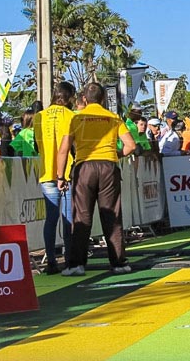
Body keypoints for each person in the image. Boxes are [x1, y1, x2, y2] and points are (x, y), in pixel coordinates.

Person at [56, 82, 136, 276]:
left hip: (84, 167)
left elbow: (64, 150)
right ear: (102, 99)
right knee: (112, 215)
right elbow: (131, 146)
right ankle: (118, 263)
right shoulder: (113, 117)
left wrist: (60, 177)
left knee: (82, 216)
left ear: (84, 99)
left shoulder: (76, 118)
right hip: (108, 165)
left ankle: (77, 265)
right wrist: (116, 154)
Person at [33, 81, 76, 274]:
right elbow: (73, 147)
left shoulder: (38, 117)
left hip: (46, 172)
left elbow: (36, 146)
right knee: (68, 219)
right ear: (69, 97)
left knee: (51, 219)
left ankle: (51, 260)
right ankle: (69, 259)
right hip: (65, 173)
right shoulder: (71, 116)